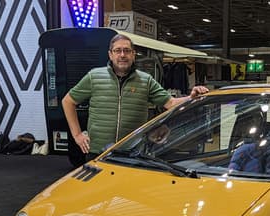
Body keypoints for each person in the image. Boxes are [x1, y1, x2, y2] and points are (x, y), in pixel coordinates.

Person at [62, 34, 209, 166]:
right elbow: (68, 101)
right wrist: (77, 135)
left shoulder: (145, 81)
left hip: (132, 152)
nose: (122, 55)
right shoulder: (94, 77)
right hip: (98, 153)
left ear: (133, 55)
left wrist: (191, 97)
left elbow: (170, 103)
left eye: (126, 51)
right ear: (110, 55)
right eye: (117, 50)